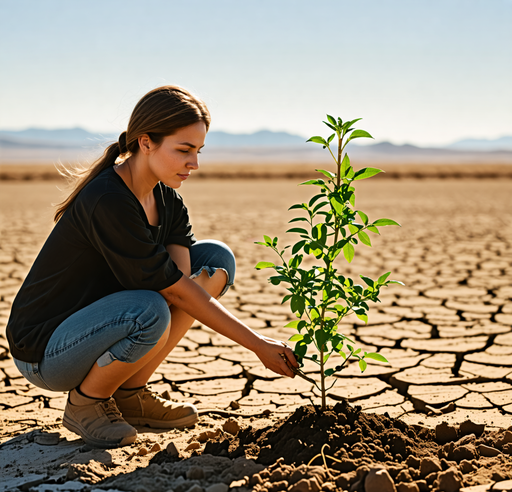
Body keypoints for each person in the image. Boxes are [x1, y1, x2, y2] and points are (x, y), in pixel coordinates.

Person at [6, 85, 299, 448]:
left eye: (199, 151)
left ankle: (130, 394)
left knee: (215, 260)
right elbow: (174, 291)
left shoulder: (168, 201)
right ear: (146, 143)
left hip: (102, 324)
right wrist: (257, 344)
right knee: (149, 310)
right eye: (184, 150)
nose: (194, 163)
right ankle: (86, 404)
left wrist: (189, 297)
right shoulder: (108, 199)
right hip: (46, 350)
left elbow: (183, 284)